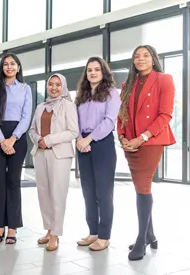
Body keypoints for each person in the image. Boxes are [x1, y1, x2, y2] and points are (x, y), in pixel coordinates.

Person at [116, 45, 175, 261]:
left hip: (150, 142)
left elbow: (165, 114)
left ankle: (141, 239)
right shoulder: (127, 84)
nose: (140, 59)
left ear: (153, 58)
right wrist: (122, 137)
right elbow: (121, 114)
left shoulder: (164, 79)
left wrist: (141, 138)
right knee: (141, 187)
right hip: (129, 143)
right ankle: (150, 234)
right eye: (136, 56)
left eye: (145, 55)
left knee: (143, 187)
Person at [75, 57, 121, 251]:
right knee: (88, 192)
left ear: (103, 72)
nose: (92, 73)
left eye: (96, 69)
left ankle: (104, 235)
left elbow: (110, 121)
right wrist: (79, 139)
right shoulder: (82, 95)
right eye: (89, 70)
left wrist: (89, 139)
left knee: (103, 192)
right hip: (82, 144)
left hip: (102, 144)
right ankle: (92, 232)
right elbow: (74, 120)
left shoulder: (111, 93)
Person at [29, 73, 78, 251]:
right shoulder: (40, 106)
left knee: (57, 194)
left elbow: (73, 132)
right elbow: (32, 129)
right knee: (44, 194)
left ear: (63, 86)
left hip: (60, 155)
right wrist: (38, 140)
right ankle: (49, 230)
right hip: (40, 153)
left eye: (58, 85)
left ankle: (56, 234)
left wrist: (48, 140)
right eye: (51, 84)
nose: (54, 88)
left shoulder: (68, 106)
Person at [0, 53, 32, 244]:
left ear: (18, 67)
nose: (9, 67)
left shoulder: (25, 89)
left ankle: (12, 228)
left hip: (18, 138)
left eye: (13, 64)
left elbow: (26, 116)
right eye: (6, 64)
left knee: (13, 182)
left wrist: (12, 139)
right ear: (2, 68)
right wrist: (2, 140)